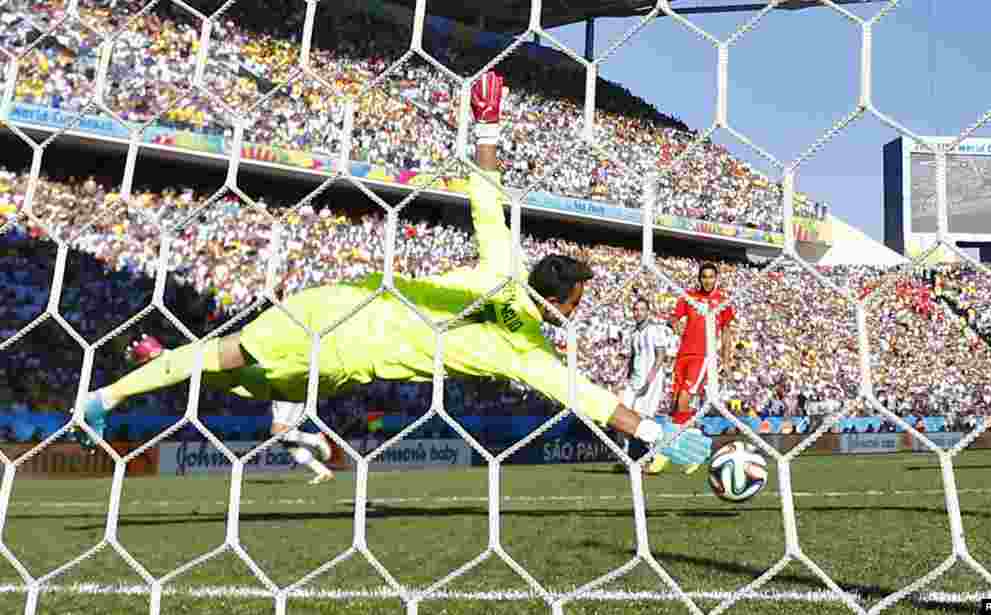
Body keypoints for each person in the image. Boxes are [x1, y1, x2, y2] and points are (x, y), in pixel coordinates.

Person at [70, 71, 710, 470]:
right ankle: (104, 396)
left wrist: (486, 124)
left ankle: (157, 365)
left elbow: (486, 198)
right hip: (342, 353)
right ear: (567, 303)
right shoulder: (525, 352)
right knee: (242, 373)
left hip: (337, 317)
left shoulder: (502, 268)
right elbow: (590, 398)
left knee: (238, 373)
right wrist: (654, 431)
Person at [670, 261, 735, 472]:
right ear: (699, 278)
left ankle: (694, 454)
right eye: (704, 276)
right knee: (675, 406)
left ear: (716, 279)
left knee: (684, 400)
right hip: (683, 355)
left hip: (703, 355)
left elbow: (726, 332)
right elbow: (675, 318)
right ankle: (683, 450)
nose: (707, 280)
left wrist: (726, 360)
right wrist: (675, 324)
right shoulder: (689, 297)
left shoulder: (722, 301)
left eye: (711, 276)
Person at [617, 297, 671, 474]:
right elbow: (633, 358)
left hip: (651, 381)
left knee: (642, 418)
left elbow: (661, 356)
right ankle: (629, 459)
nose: (638, 313)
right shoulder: (634, 334)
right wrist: (627, 379)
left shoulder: (655, 330)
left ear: (648, 312)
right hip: (634, 381)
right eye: (635, 309)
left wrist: (649, 381)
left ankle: (656, 456)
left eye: (641, 309)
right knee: (622, 416)